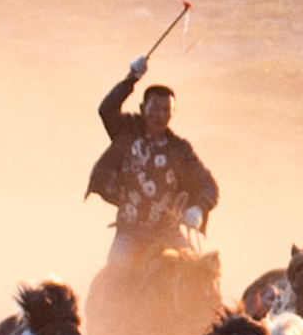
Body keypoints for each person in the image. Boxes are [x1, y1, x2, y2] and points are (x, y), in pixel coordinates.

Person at [81, 58, 216, 247]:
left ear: (172, 113)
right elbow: (106, 110)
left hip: (168, 234)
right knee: (116, 269)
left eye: (165, 110)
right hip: (130, 233)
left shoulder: (179, 149)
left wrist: (198, 209)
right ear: (143, 109)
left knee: (197, 271)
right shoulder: (126, 132)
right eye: (154, 109)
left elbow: (208, 185)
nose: (159, 116)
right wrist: (131, 79)